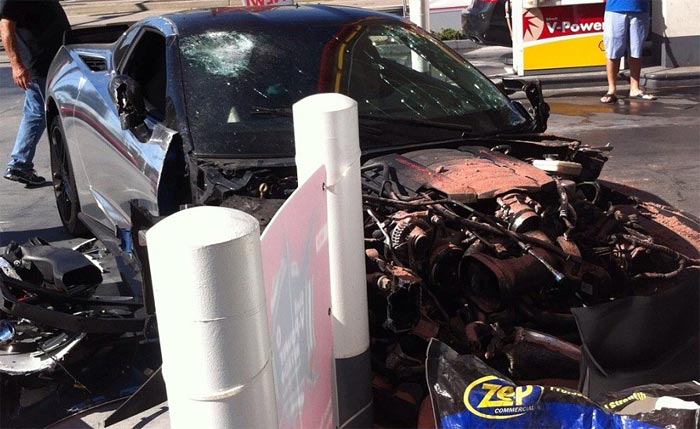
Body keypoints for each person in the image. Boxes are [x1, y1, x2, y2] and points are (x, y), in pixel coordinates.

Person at [0, 0, 70, 186]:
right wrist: (16, 65)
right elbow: (6, 28)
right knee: (37, 112)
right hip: (37, 63)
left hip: (51, 59)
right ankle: (19, 164)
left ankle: (20, 164)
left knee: (36, 111)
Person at [600, 0, 656, 104]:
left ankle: (635, 88)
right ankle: (611, 90)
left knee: (636, 50)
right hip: (615, 8)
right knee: (613, 51)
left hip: (640, 8)